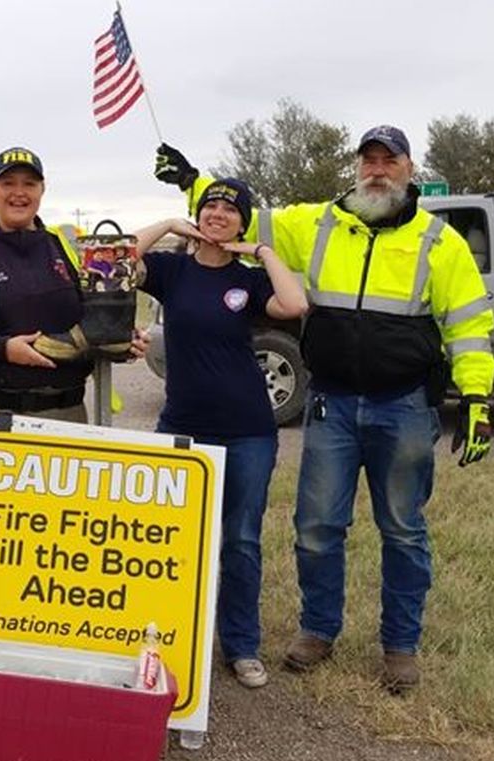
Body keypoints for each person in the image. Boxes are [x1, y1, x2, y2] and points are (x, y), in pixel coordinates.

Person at [154, 125, 494, 694]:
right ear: (357, 168)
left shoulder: (440, 242)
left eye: (390, 161)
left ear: (410, 169)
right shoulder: (318, 224)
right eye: (369, 161)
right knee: (316, 528)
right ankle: (317, 631)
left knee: (404, 531)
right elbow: (244, 218)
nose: (378, 170)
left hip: (404, 407)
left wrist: (478, 399)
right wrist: (195, 183)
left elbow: (469, 326)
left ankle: (400, 647)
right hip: (331, 404)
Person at [131, 178, 308, 688]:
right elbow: (115, 261)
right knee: (170, 540)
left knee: (241, 541)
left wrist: (262, 251)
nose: (218, 214)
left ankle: (241, 646)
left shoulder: (249, 280)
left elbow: (294, 305)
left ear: (240, 223)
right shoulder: (172, 270)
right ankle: (168, 637)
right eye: (211, 206)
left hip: (247, 431)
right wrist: (167, 225)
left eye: (231, 210)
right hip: (182, 427)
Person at [0, 146, 146, 522]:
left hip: (62, 418)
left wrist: (122, 339)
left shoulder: (71, 246)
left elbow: (99, 319)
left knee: (55, 536)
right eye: (8, 183)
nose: (18, 192)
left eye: (29, 183)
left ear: (43, 190)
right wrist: (3, 348)